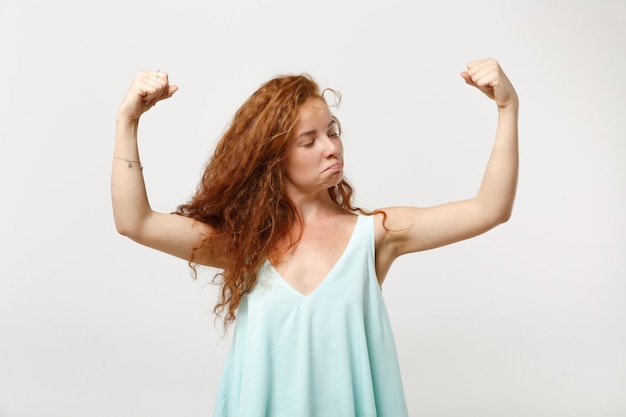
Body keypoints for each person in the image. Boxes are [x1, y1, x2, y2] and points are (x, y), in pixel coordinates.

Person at [112, 58, 519, 417]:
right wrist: (127, 121)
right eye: (309, 141)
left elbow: (489, 209)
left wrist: (507, 108)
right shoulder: (245, 244)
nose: (331, 148)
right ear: (273, 160)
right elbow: (136, 222)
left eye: (333, 131)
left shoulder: (375, 235)